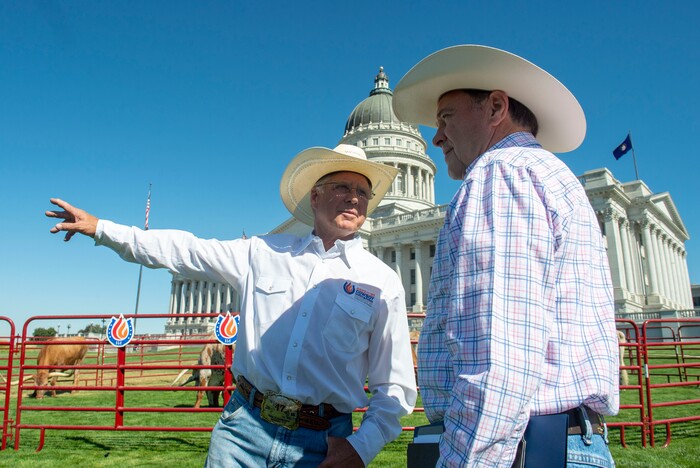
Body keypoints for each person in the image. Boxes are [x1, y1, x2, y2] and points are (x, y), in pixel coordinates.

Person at [45, 144, 417, 467]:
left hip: (324, 441)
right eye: (342, 186)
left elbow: (396, 387)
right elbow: (185, 250)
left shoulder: (382, 281)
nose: (354, 197)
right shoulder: (264, 251)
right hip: (245, 429)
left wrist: (359, 450)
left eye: (363, 192)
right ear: (315, 196)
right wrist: (102, 228)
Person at [392, 45, 620, 467]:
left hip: (527, 449)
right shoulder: (553, 177)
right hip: (565, 442)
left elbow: (498, 362)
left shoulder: (501, 173)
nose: (436, 137)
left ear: (496, 106)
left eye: (445, 118)